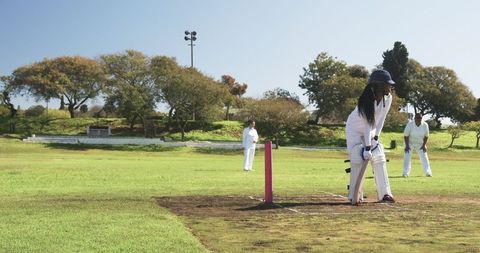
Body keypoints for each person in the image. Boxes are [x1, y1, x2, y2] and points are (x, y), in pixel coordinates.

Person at [345, 69, 396, 204]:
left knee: (379, 154)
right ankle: (355, 195)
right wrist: (367, 147)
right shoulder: (366, 100)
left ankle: (385, 194)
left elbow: (381, 119)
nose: (390, 86)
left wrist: (376, 138)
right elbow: (367, 123)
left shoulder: (388, 97)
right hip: (354, 130)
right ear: (379, 85)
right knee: (357, 156)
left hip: (371, 130)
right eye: (387, 84)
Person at [402, 113, 432, 177]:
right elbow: (406, 136)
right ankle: (405, 173)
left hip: (420, 143)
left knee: (424, 157)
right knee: (407, 157)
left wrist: (424, 145)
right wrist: (407, 146)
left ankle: (428, 172)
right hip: (409, 142)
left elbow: (426, 136)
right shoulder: (410, 124)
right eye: (417, 118)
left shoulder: (425, 125)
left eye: (420, 118)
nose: (419, 119)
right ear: (415, 118)